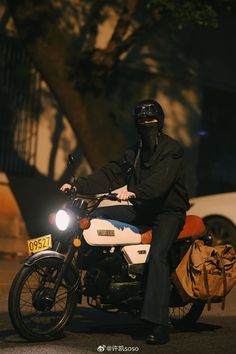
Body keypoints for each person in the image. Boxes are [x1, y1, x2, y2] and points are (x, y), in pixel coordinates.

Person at [60, 99, 190, 345]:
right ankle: (106, 274)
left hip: (168, 212)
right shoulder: (133, 152)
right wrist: (78, 185)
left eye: (150, 120)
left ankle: (158, 323)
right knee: (98, 216)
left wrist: (135, 192)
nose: (146, 124)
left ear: (159, 122)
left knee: (158, 256)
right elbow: (110, 174)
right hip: (141, 208)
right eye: (141, 121)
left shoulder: (172, 150)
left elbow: (160, 182)